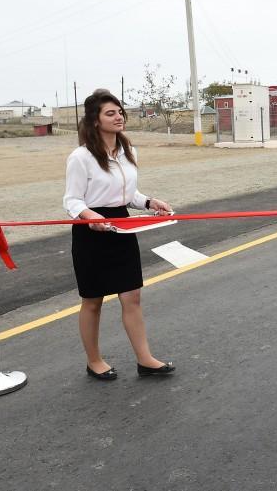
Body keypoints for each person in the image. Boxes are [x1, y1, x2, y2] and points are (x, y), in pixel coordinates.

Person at [63, 89, 175, 380]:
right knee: (93, 300)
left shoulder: (129, 151)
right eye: (110, 113)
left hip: (122, 226)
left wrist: (150, 203)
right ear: (95, 120)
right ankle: (94, 361)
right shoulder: (81, 157)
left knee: (132, 296)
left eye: (120, 112)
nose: (118, 117)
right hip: (91, 232)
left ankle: (145, 359)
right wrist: (90, 216)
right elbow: (72, 200)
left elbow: (126, 195)